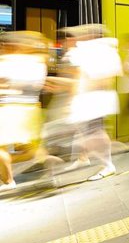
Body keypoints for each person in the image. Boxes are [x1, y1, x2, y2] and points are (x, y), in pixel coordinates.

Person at [62, 24, 122, 181]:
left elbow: (104, 80)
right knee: (84, 130)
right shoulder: (96, 51)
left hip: (94, 100)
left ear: (94, 36)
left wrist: (76, 94)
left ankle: (108, 165)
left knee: (94, 132)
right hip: (89, 99)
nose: (81, 37)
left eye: (86, 34)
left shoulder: (103, 52)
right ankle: (83, 158)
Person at [0, 32, 52, 192]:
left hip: (11, 109)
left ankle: (8, 181)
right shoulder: (39, 63)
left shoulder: (8, 62)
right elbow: (39, 85)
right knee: (29, 148)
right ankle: (44, 157)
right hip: (31, 109)